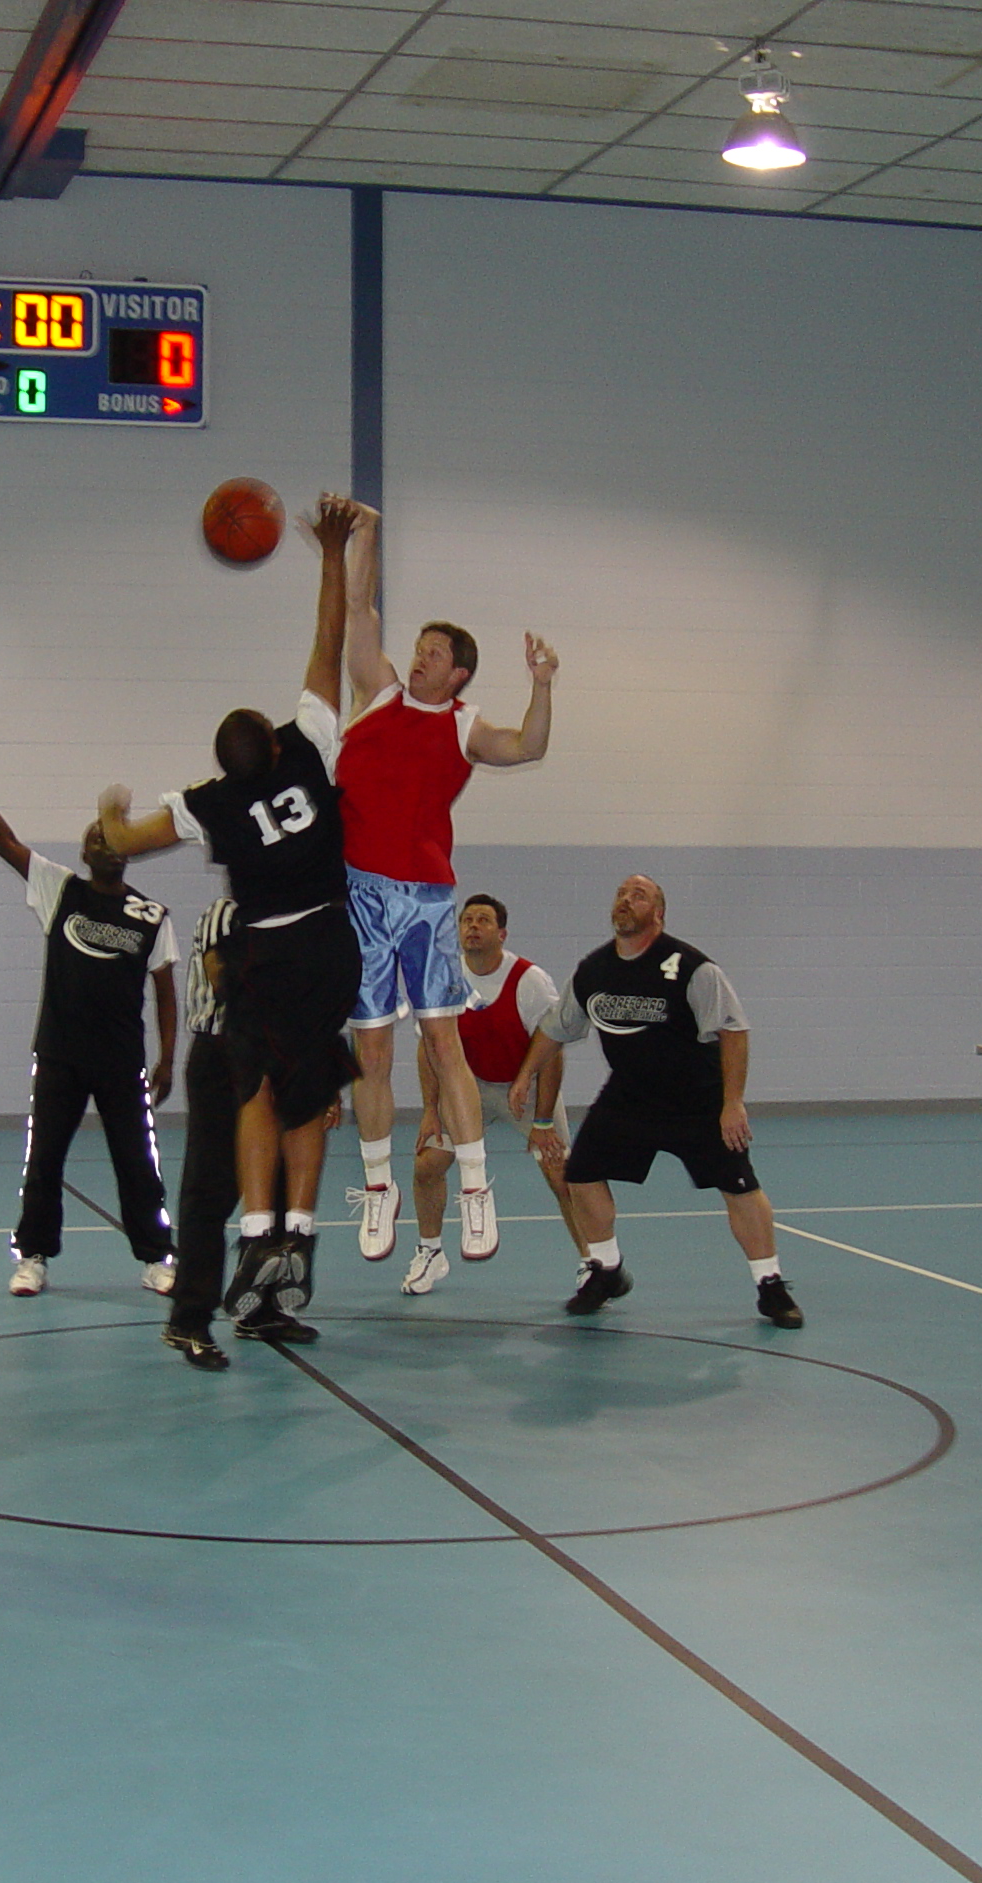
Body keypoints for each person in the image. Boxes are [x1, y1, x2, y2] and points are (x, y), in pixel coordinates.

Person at [100, 494, 364, 1340]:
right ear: (278, 744)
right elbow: (328, 644)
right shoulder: (312, 746)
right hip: (332, 942)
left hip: (268, 952)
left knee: (255, 1081)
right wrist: (332, 550)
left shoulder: (211, 803)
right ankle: (298, 1237)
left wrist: (111, 811)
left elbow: (124, 838)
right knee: (315, 1088)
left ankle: (257, 1236)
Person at [335, 505, 557, 1270]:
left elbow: (529, 746)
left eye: (435, 654)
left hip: (427, 901)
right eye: (420, 649)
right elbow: (358, 611)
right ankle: (377, 1188)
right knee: (370, 1051)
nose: (421, 659)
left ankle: (473, 1187)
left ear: (458, 671)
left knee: (441, 1041)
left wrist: (542, 683)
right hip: (360, 894)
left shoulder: (462, 725)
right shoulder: (380, 694)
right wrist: (364, 534)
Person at [509, 875, 803, 1327]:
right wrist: (525, 1075)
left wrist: (733, 1102)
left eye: (639, 895)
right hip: (630, 1096)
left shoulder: (692, 967)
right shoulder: (593, 971)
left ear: (658, 914)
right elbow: (555, 1027)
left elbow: (734, 1032)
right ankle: (606, 1271)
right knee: (580, 1174)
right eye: (621, 894)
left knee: (740, 1187)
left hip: (697, 1101)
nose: (626, 900)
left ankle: (771, 1286)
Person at [0, 733, 180, 1298]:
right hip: (59, 1056)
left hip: (122, 1063)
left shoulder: (151, 915)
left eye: (111, 835)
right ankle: (32, 1257)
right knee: (45, 1160)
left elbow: (168, 992)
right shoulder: (60, 891)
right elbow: (4, 841)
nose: (102, 841)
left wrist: (168, 1058)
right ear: (84, 852)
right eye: (95, 835)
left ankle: (156, 1257)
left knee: (136, 1165)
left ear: (126, 849)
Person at [401, 891, 583, 1295]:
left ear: (501, 933)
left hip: (527, 1088)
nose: (473, 927)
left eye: (483, 920)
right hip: (470, 1090)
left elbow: (553, 1051)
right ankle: (431, 1253)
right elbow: (427, 1047)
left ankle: (594, 1263)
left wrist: (541, 1120)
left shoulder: (529, 981)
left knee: (562, 1174)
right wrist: (430, 1110)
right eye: (467, 920)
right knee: (427, 1164)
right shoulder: (445, 976)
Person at [160, 894, 247, 1369]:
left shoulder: (296, 914)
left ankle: (264, 1306)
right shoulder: (227, 913)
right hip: (222, 1055)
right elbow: (222, 977)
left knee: (276, 1188)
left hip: (273, 1058)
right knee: (209, 1190)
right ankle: (189, 1318)